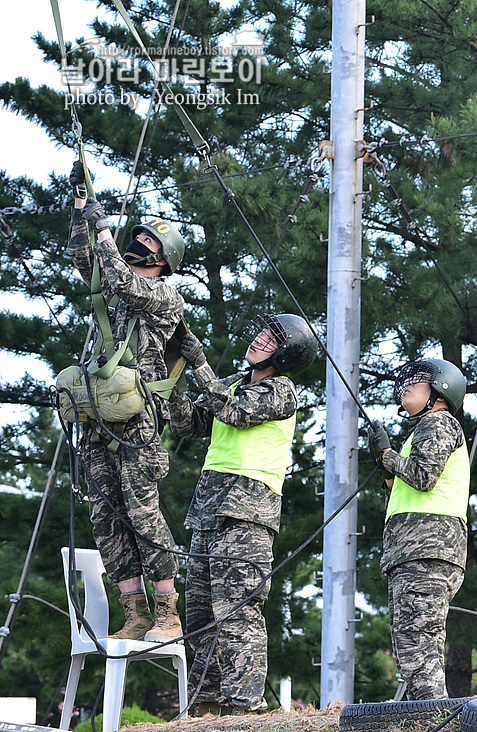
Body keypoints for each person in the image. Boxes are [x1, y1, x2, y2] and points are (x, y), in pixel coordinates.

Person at [169, 313, 316, 716]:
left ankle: (244, 708)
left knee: (236, 613)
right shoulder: (232, 384)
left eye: (271, 338)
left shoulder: (282, 391)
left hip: (247, 513)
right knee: (200, 616)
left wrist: (199, 365)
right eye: (262, 333)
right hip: (209, 511)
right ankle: (207, 706)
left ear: (286, 354)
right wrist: (177, 375)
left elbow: (235, 412)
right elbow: (186, 423)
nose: (258, 339)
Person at [66, 161, 186, 642]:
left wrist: (107, 232)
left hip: (137, 426)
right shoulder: (115, 285)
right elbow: (83, 257)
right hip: (99, 420)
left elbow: (120, 279)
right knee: (108, 519)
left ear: (163, 260)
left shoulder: (162, 295)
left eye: (148, 243)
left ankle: (166, 611)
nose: (139, 245)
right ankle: (135, 611)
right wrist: (81, 206)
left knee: (142, 515)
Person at [366, 358, 470, 701]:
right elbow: (405, 486)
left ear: (441, 390)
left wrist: (387, 454)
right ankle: (422, 716)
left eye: (418, 379)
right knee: (413, 647)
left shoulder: (438, 422)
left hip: (427, 551)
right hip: (418, 552)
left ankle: (431, 717)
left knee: (419, 648)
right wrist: (386, 465)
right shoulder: (422, 430)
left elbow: (423, 477)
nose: (407, 384)